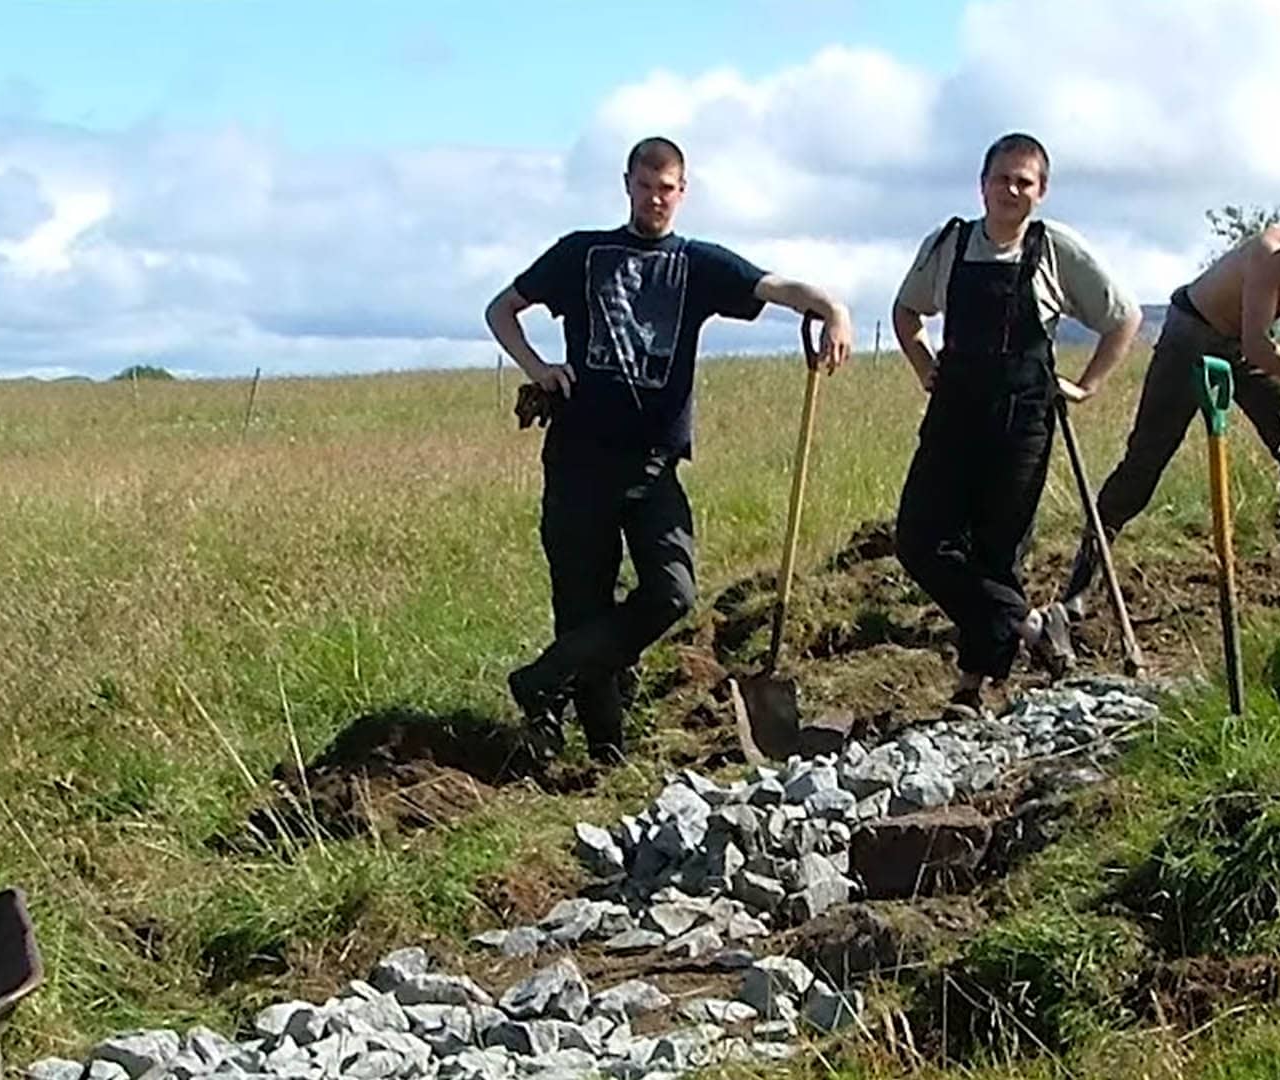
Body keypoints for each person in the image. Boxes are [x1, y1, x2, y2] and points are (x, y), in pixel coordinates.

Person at [484, 136, 854, 763]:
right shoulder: (581, 253)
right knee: (582, 607)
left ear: (683, 193)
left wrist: (835, 309)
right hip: (579, 461)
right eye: (646, 186)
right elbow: (502, 309)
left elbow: (778, 287)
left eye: (668, 189)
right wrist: (538, 366)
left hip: (653, 467)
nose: (656, 198)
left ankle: (540, 680)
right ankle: (603, 752)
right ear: (626, 185)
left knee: (673, 591)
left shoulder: (697, 264)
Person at [891, 133, 1142, 720]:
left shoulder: (1055, 250)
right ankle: (1033, 625)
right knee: (919, 539)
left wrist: (1088, 384)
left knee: (998, 552)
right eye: (1003, 178)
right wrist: (926, 368)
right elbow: (907, 313)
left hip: (1023, 419)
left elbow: (1123, 318)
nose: (1012, 190)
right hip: (953, 415)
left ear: (1042, 191)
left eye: (1024, 181)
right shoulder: (949, 243)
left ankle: (971, 690)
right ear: (982, 184)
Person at [1062, 190, 1280, 618]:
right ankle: (1078, 587)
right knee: (1143, 466)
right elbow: (1259, 344)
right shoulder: (1270, 253)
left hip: (1243, 350)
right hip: (1190, 336)